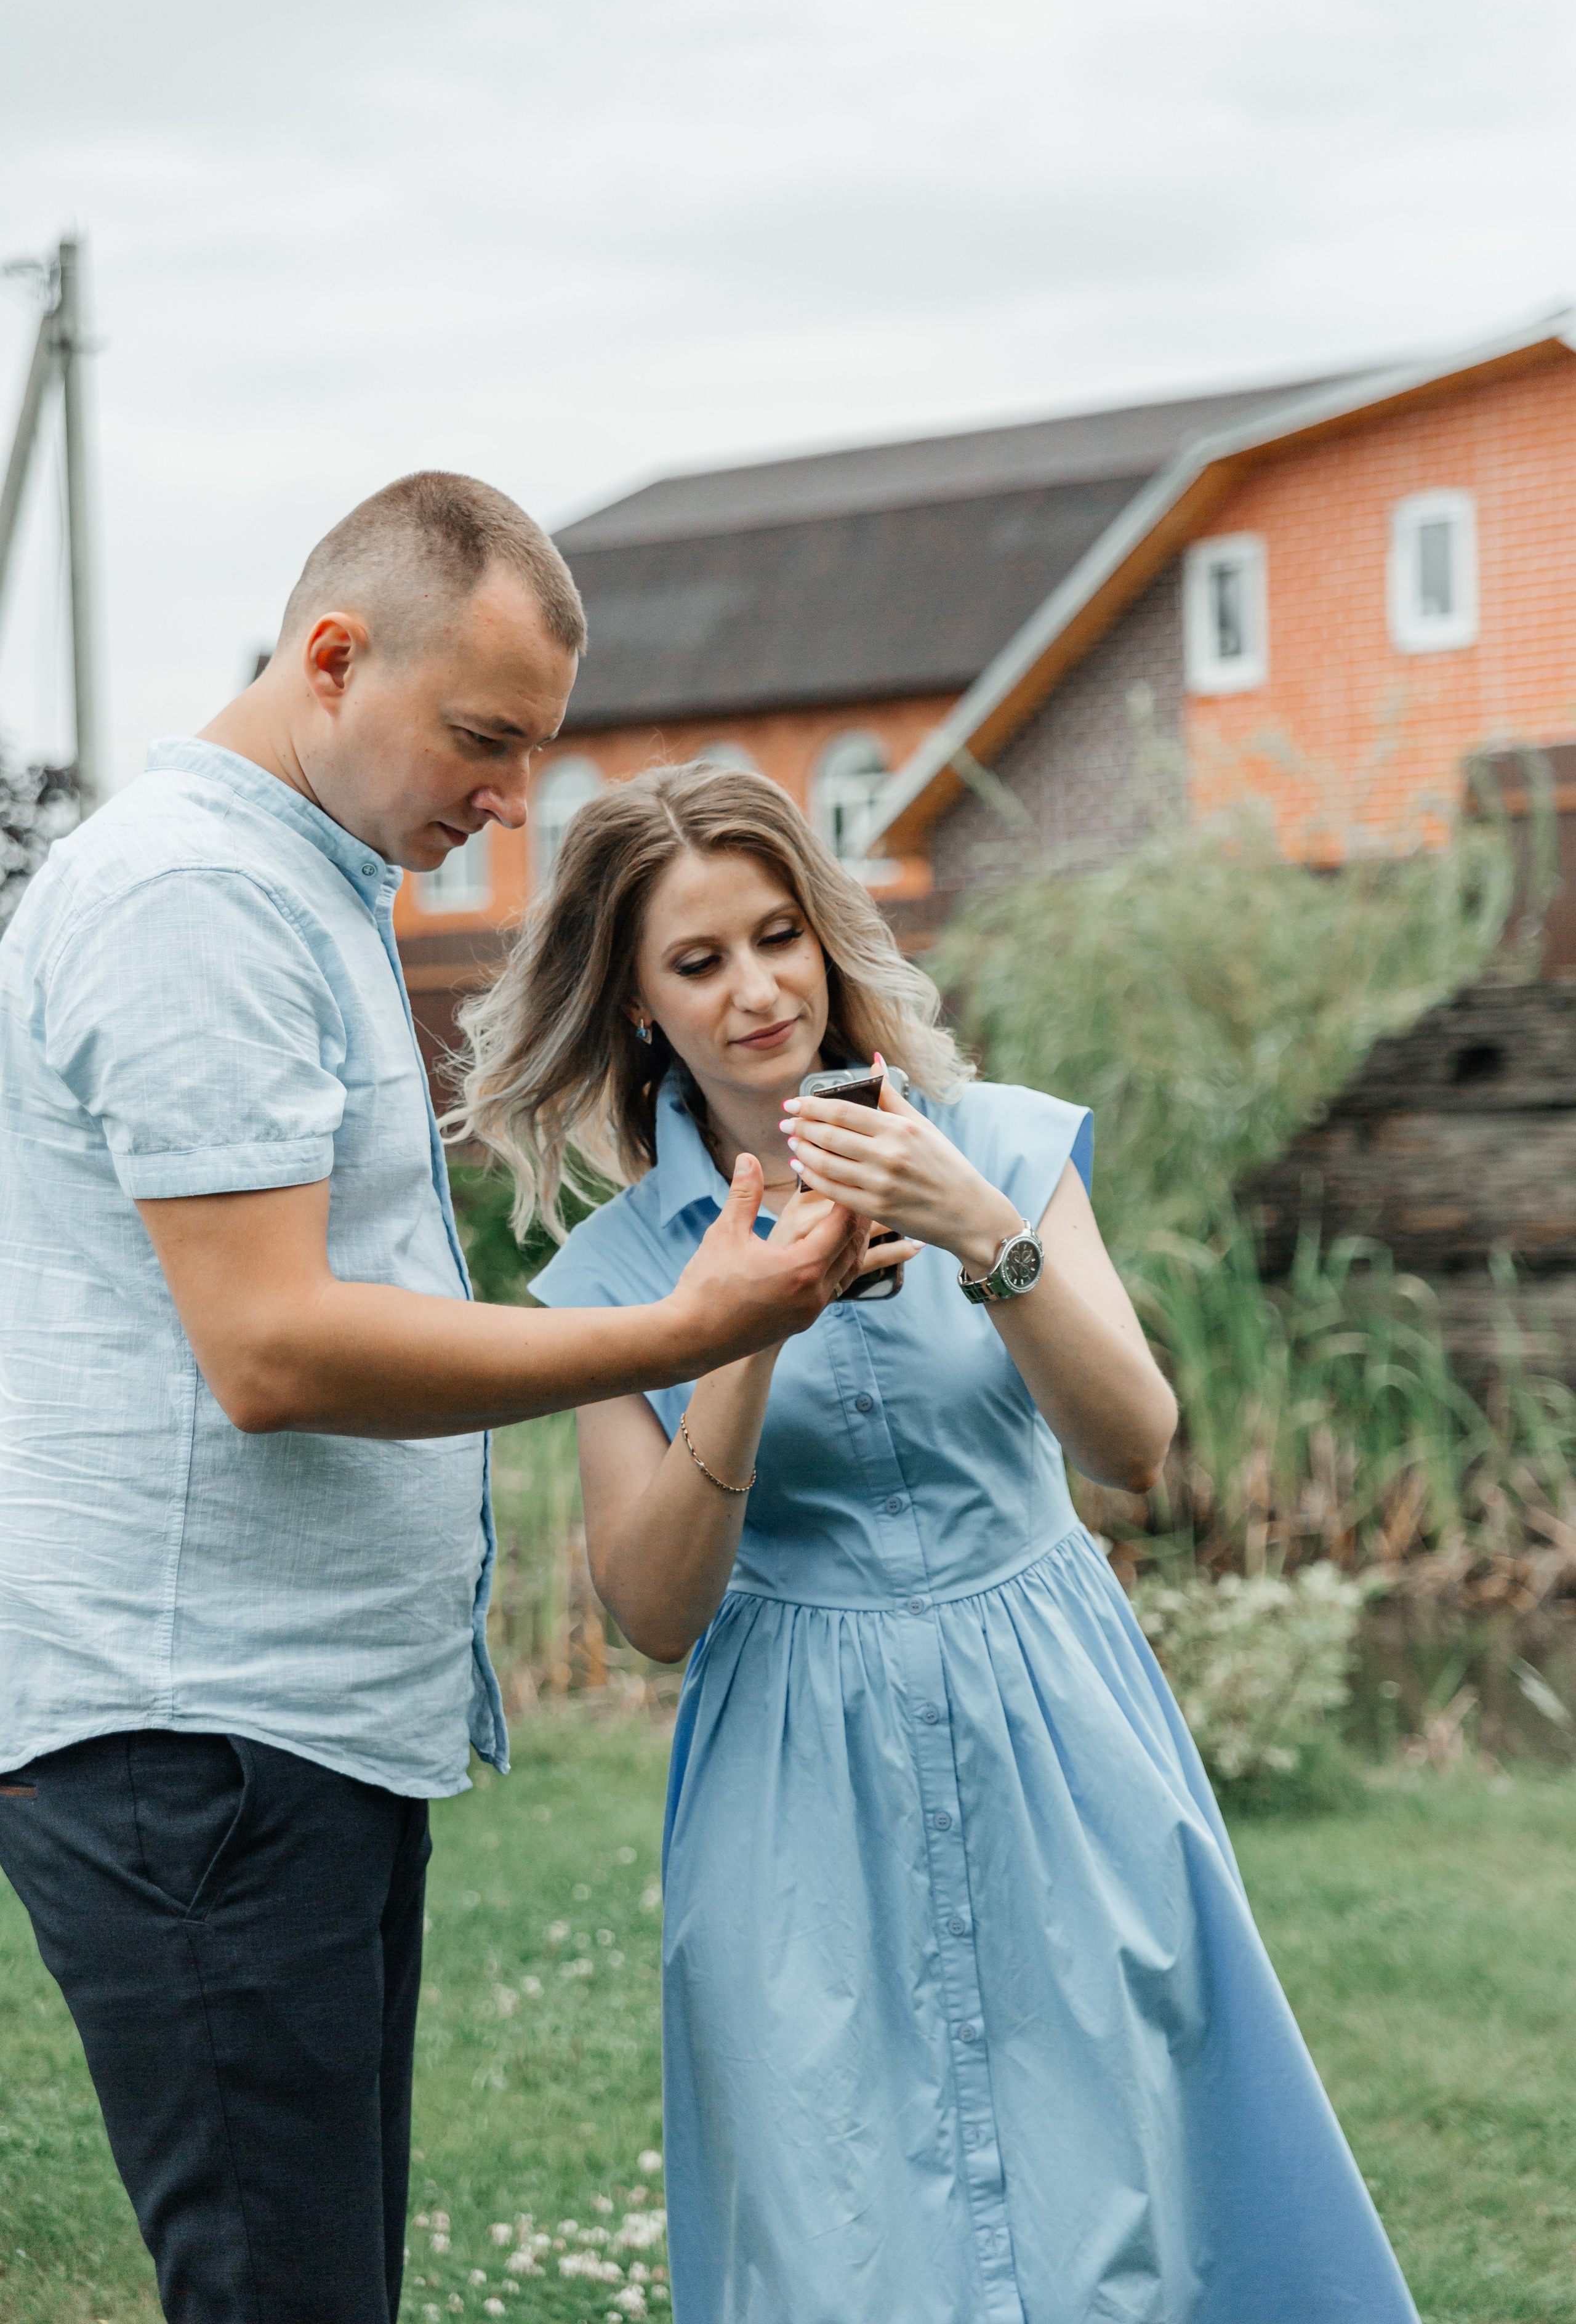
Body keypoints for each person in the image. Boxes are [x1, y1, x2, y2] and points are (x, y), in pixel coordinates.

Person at [0, 475, 867, 2324]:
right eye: (486, 740)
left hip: (275, 1734)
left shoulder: (294, 884)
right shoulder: (191, 902)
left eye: (536, 751)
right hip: (197, 1738)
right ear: (333, 658)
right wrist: (699, 1322)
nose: (510, 802)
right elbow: (275, 1348)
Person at [455, 761, 1420, 2324]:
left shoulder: (1005, 1146)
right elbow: (650, 1609)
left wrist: (982, 1229)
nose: (757, 991)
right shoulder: (619, 1268)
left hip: (1054, 1726)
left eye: (777, 935)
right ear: (636, 1005)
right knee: (838, 2235)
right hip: (792, 1779)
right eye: (696, 963)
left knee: (1124, 2211)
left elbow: (1131, 1447)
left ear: (826, 937)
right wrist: (746, 1326)